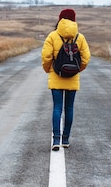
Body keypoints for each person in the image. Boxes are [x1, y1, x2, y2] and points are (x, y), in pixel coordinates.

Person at [41, 8, 90, 151]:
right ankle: (66, 139)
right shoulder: (79, 37)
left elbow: (46, 56)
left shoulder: (53, 36)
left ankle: (56, 140)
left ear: (60, 19)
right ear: (74, 19)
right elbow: (86, 58)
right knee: (69, 108)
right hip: (73, 78)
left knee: (57, 108)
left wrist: (48, 69)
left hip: (56, 76)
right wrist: (77, 70)